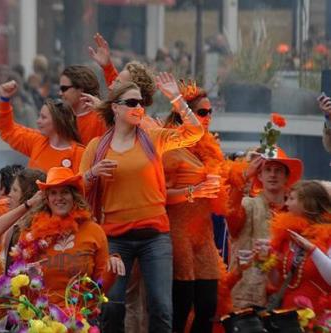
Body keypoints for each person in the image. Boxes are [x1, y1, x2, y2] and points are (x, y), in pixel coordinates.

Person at [79, 76, 203, 333]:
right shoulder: (96, 147)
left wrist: (177, 99)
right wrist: (93, 173)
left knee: (161, 308)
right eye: (132, 102)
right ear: (115, 107)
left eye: (142, 102)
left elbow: (195, 133)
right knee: (112, 306)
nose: (139, 108)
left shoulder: (152, 138)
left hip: (154, 236)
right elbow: (77, 189)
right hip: (115, 238)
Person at [162, 80, 254, 333]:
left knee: (208, 304)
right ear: (186, 115)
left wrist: (245, 174)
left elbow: (223, 189)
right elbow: (161, 195)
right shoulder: (171, 147)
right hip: (178, 230)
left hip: (203, 233)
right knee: (182, 305)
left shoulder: (209, 148)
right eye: (202, 112)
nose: (208, 116)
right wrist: (194, 191)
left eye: (210, 111)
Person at [7, 167, 117, 306]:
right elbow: (20, 284)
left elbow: (99, 288)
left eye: (65, 192)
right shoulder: (31, 233)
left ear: (74, 197)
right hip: (41, 320)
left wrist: (111, 271)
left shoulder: (93, 231)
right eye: (53, 193)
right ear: (47, 199)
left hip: (80, 320)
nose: (59, 198)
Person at [227, 148, 303, 310]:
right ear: (259, 176)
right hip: (249, 297)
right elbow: (231, 215)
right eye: (267, 170)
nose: (272, 175)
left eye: (278, 170)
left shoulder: (297, 212)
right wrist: (244, 177)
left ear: (287, 177)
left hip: (287, 297)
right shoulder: (248, 204)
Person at [0, 80, 85, 173]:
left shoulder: (79, 154)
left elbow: (83, 188)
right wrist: (5, 99)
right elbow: (8, 131)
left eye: (43, 117)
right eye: (39, 116)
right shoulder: (37, 141)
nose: (38, 121)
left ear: (58, 121)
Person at [269, 180, 331, 315]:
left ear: (307, 204)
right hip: (287, 316)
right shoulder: (287, 235)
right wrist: (266, 261)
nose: (286, 204)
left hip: (318, 316)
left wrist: (313, 250)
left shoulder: (328, 235)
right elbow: (277, 282)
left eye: (291, 199)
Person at [59, 65, 106, 145]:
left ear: (81, 89)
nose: (60, 93)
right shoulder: (62, 119)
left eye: (64, 89)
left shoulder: (101, 120)